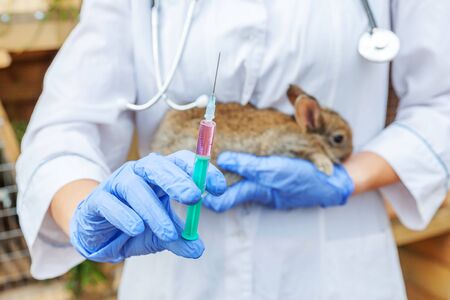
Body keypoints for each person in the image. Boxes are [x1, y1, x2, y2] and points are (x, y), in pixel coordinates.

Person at [16, 0, 450, 299]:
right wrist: (83, 211)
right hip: (175, 269)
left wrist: (347, 178)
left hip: (332, 266)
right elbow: (64, 126)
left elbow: (442, 104)